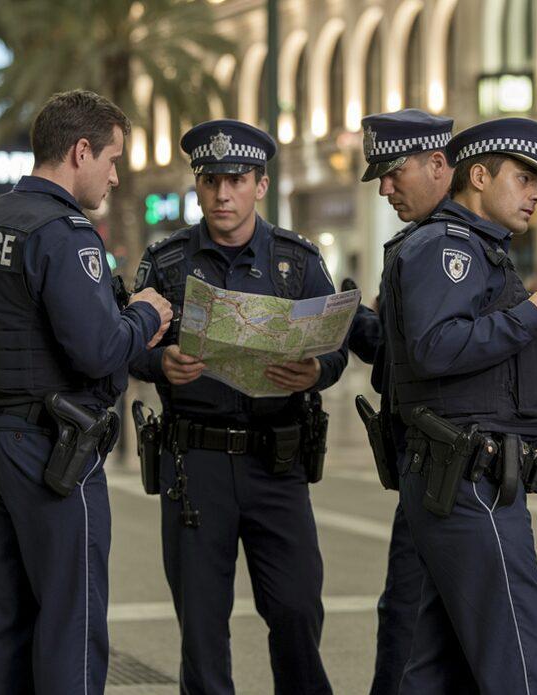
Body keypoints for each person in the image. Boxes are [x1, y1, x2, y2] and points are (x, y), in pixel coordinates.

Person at [0, 90, 173, 694]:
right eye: (112, 159)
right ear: (80, 151)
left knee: (10, 612)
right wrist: (146, 316)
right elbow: (98, 349)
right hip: (56, 449)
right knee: (72, 616)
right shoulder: (66, 233)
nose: (115, 175)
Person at [129, 118, 346, 695]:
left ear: (261, 184)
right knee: (202, 626)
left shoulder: (297, 262)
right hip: (194, 462)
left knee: (298, 611)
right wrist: (160, 365)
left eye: (237, 180)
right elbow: (129, 346)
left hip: (278, 461)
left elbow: (336, 346)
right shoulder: (168, 261)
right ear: (198, 186)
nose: (223, 193)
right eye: (211, 181)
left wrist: (316, 370)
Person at [380, 117, 537, 694]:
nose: (535, 195)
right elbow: (434, 348)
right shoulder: (449, 246)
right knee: (519, 658)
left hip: (463, 473)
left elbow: (482, 372)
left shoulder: (480, 250)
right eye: (525, 179)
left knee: (437, 668)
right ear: (478, 175)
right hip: (469, 477)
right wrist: (529, 316)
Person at [357, 108, 455, 695]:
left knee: (410, 617)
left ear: (438, 164)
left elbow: (446, 355)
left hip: (446, 473)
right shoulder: (417, 246)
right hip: (424, 469)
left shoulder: (447, 248)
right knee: (411, 616)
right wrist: (351, 325)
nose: (386, 188)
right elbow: (406, 357)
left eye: (395, 173)